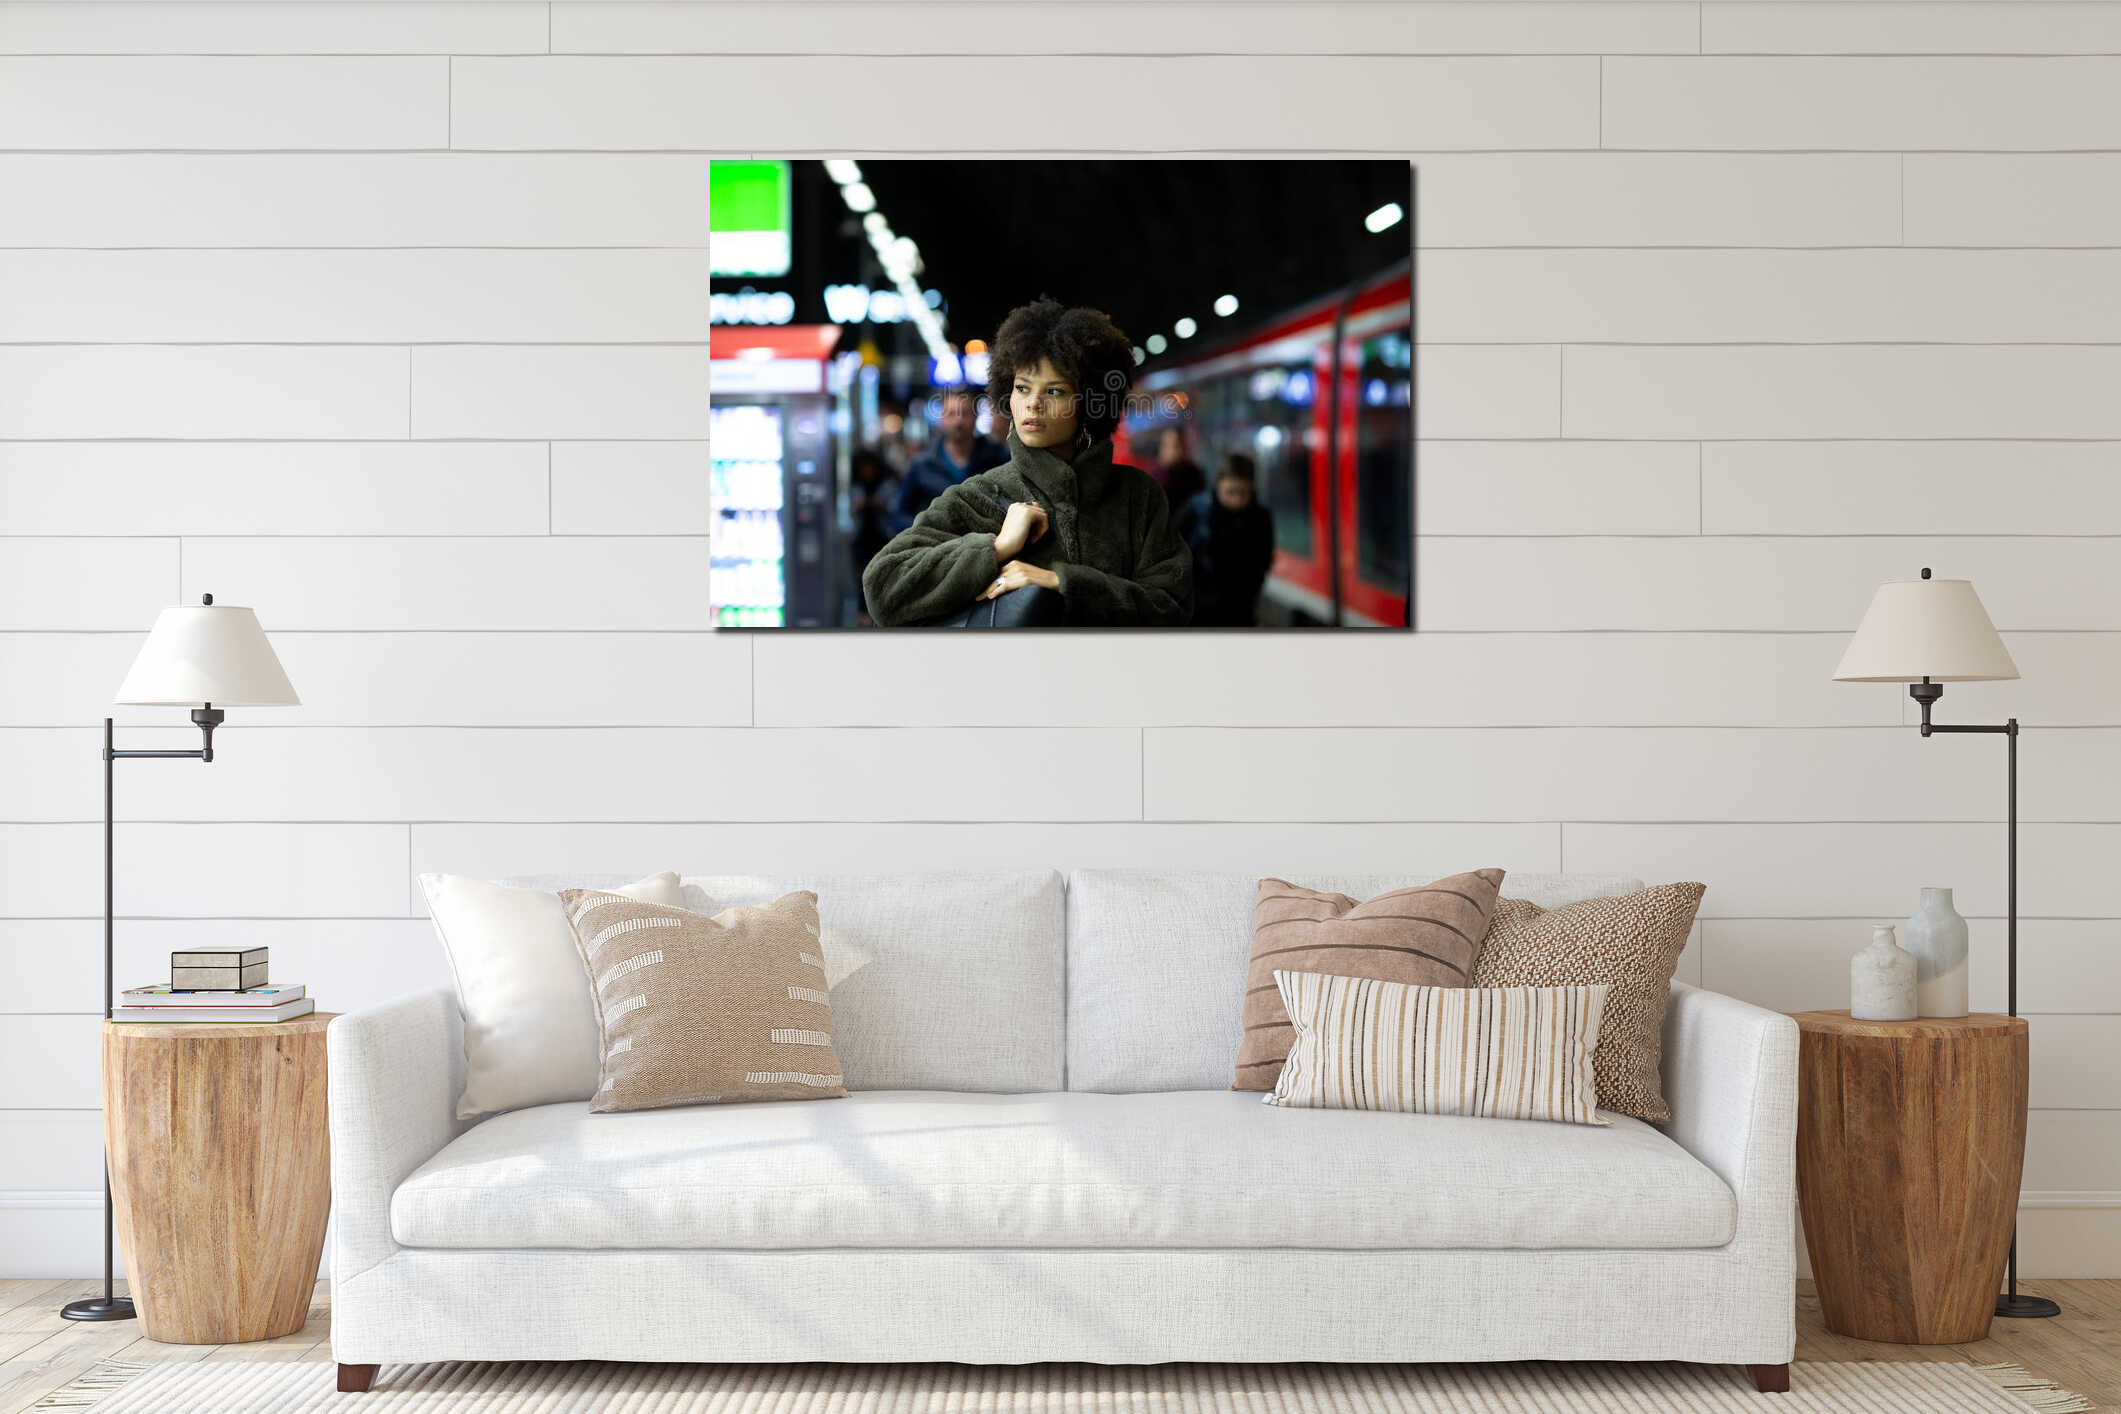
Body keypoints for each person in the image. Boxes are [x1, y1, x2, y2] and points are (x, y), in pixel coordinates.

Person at [861, 297, 1193, 628]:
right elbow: (883, 587)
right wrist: (996, 548)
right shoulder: (982, 495)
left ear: (1091, 403)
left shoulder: (1137, 497)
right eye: (1022, 388)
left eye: (1054, 392)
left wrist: (1060, 581)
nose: (1032, 404)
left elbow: (1173, 605)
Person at [1173, 453, 1276, 628]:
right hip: (1197, 611)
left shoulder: (1260, 517)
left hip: (1241, 610)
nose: (1236, 500)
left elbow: (1264, 558)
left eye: (1243, 493)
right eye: (1230, 492)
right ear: (1218, 485)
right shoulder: (1197, 510)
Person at [887, 388, 1007, 535]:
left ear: (975, 418)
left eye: (965, 413)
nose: (958, 421)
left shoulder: (997, 458)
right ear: (941, 419)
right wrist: (926, 529)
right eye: (951, 414)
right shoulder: (923, 464)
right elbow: (898, 515)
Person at [1149, 426, 1206, 514]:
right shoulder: (1153, 476)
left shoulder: (1195, 474)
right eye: (1167, 446)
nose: (1173, 451)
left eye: (1178, 446)